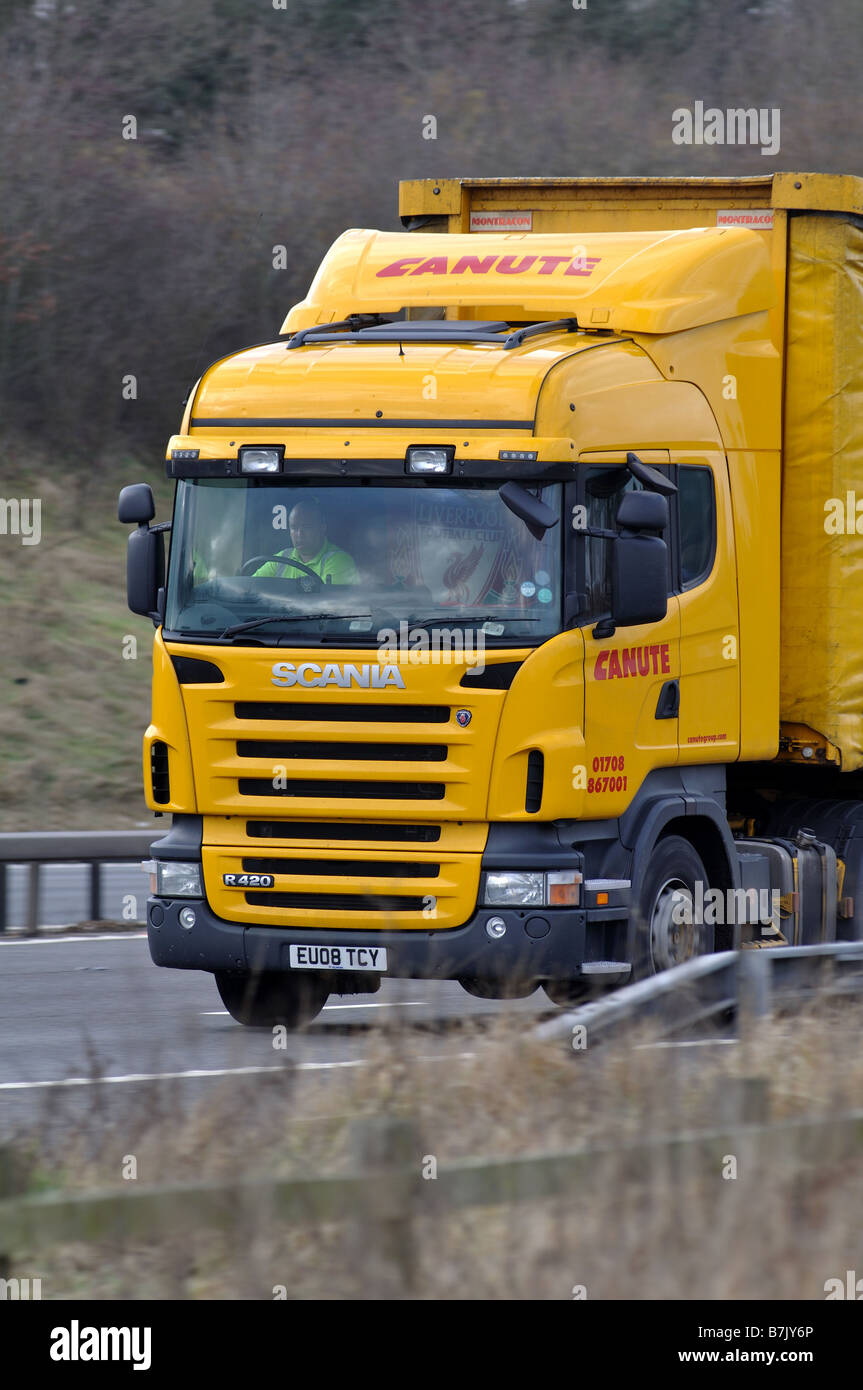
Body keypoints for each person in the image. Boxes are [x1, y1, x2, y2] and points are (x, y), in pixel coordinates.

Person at [253, 497, 358, 583]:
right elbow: (251, 587)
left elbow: (328, 605)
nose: (299, 534)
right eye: (294, 528)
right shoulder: (281, 559)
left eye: (307, 527)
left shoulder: (339, 561)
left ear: (322, 528)